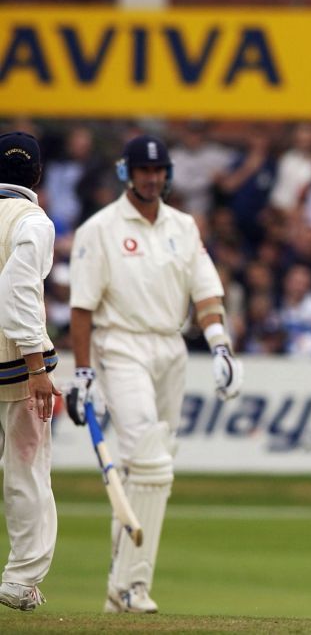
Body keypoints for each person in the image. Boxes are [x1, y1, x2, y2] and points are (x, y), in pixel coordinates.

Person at [66, 135, 243, 612]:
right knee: (149, 462)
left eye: (159, 170)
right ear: (127, 172)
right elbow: (81, 307)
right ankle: (130, 587)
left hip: (171, 348)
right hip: (119, 344)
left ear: (167, 173)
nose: (152, 177)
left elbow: (206, 293)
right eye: (143, 170)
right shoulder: (99, 229)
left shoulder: (184, 226)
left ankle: (119, 585)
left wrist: (221, 347)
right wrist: (82, 373)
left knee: (148, 466)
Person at [0, 132, 61, 611]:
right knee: (27, 469)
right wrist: (36, 365)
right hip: (15, 368)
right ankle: (21, 579)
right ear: (37, 175)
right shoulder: (34, 221)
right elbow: (18, 289)